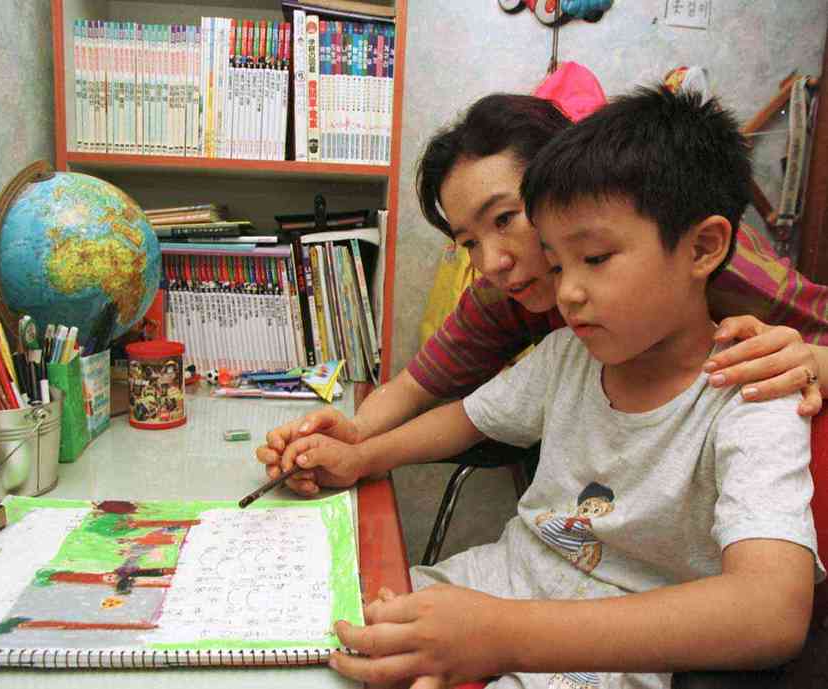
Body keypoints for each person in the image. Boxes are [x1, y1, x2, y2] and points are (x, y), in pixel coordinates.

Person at [273, 86, 825, 689]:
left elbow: (770, 610)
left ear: (703, 248)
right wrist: (356, 451)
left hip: (592, 650)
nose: (563, 292)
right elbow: (460, 407)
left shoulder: (756, 383)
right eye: (559, 264)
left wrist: (499, 634)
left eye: (593, 256)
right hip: (501, 588)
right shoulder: (569, 349)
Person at [258, 92, 828, 496]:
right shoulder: (507, 295)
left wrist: (814, 361)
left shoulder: (712, 267)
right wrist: (343, 439)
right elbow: (416, 387)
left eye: (505, 219)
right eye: (468, 243)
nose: (493, 263)